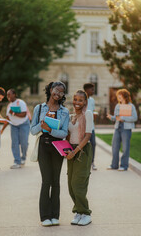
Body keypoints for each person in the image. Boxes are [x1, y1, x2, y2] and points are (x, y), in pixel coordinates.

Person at [30, 82, 69, 227]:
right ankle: (45, 216)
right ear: (50, 90)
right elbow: (33, 130)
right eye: (56, 90)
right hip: (43, 146)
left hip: (57, 146)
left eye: (61, 92)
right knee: (46, 181)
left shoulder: (64, 111)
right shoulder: (39, 108)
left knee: (56, 181)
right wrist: (42, 125)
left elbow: (64, 133)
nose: (58, 93)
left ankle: (55, 215)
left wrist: (51, 130)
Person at [66, 90, 93, 226]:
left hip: (82, 151)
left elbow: (88, 135)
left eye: (80, 100)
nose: (77, 102)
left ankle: (86, 213)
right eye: (75, 99)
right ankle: (78, 211)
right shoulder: (70, 116)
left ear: (85, 102)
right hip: (71, 150)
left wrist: (75, 151)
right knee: (71, 184)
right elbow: (68, 135)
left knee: (78, 184)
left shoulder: (87, 114)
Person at [107, 89, 138, 171]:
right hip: (118, 127)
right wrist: (111, 117)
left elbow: (135, 118)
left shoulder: (131, 106)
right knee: (115, 147)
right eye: (118, 96)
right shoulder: (118, 106)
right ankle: (114, 165)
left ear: (125, 96)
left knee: (125, 148)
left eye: (120, 96)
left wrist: (123, 118)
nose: (118, 97)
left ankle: (124, 166)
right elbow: (116, 118)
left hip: (126, 129)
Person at [1, 89, 30, 169]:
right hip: (14, 126)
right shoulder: (9, 106)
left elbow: (24, 114)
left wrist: (13, 113)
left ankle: (23, 157)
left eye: (9, 94)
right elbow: (8, 119)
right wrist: (2, 129)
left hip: (24, 125)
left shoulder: (21, 102)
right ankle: (17, 161)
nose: (8, 96)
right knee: (14, 143)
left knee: (24, 143)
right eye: (7, 95)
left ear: (14, 94)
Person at [83, 83, 97, 170]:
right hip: (83, 127)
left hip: (91, 127)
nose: (93, 91)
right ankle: (84, 163)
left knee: (93, 144)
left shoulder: (92, 100)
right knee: (83, 145)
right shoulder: (81, 99)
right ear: (87, 90)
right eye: (92, 89)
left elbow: (93, 111)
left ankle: (92, 162)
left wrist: (94, 115)